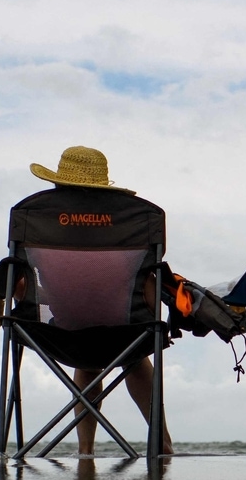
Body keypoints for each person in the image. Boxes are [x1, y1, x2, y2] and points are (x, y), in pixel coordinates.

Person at [24, 146, 172, 455]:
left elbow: (22, 286)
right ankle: (162, 442)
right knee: (134, 355)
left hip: (63, 336)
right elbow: (146, 285)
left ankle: (85, 450)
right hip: (128, 334)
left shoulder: (39, 222)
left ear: (58, 185)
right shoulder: (128, 223)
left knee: (85, 355)